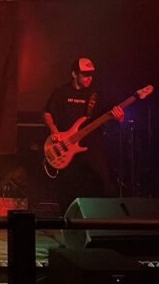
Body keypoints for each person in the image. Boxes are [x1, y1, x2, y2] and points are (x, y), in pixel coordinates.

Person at [38, 57, 124, 213]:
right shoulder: (61, 92)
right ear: (74, 74)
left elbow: (113, 114)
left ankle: (99, 220)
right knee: (67, 186)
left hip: (91, 147)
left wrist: (119, 117)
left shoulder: (96, 95)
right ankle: (67, 218)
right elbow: (47, 113)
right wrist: (54, 131)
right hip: (66, 146)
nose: (89, 78)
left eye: (91, 74)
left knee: (102, 183)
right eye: (85, 75)